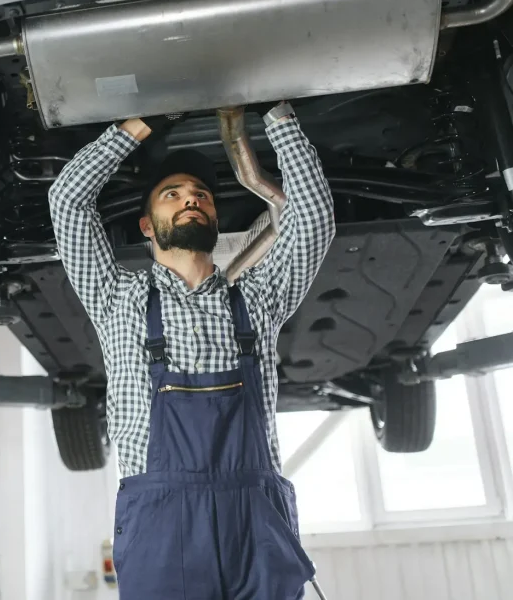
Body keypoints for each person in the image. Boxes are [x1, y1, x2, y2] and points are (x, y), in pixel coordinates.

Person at [48, 101, 335, 599]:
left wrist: (276, 114)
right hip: (162, 521)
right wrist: (145, 122)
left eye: (201, 194)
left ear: (214, 216)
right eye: (171, 194)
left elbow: (312, 220)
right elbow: (68, 200)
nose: (190, 199)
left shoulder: (259, 298)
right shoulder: (116, 298)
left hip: (256, 518)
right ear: (146, 225)